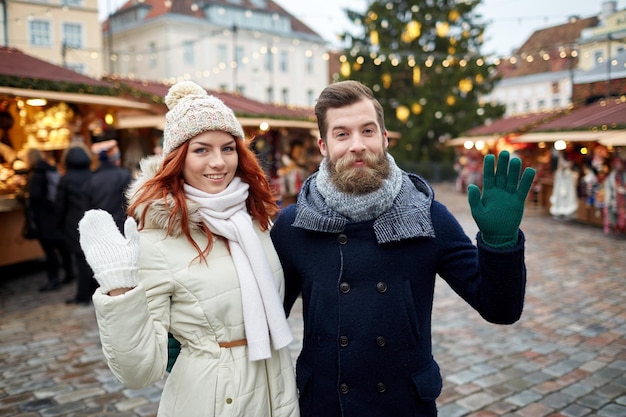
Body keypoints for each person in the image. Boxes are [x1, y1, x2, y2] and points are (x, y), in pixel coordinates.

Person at [269, 80, 536, 417]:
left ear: (384, 138)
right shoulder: (295, 225)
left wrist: (501, 243)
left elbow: (501, 309)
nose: (357, 145)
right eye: (342, 134)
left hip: (403, 405)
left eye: (367, 131)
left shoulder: (426, 216)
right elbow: (266, 320)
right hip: (324, 405)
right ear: (323, 145)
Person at [78, 81, 299, 417]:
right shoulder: (158, 237)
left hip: (276, 388)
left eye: (228, 148)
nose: (218, 162)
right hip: (213, 400)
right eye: (201, 150)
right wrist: (120, 289)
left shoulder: (255, 220)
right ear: (177, 159)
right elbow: (139, 372)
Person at [24, 148, 74, 292]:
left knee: (49, 250)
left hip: (44, 217)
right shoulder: (52, 169)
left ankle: (54, 279)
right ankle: (69, 273)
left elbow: (34, 196)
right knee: (61, 246)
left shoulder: (36, 174)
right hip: (56, 214)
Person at [56, 143, 96, 305]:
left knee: (80, 259)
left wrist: (59, 224)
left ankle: (83, 295)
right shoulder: (93, 175)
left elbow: (60, 205)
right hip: (92, 221)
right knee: (94, 257)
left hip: (73, 223)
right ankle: (94, 289)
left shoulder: (65, 179)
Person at [83, 139, 132, 231]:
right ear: (116, 159)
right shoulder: (124, 176)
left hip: (100, 230)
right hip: (121, 228)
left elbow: (87, 209)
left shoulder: (91, 180)